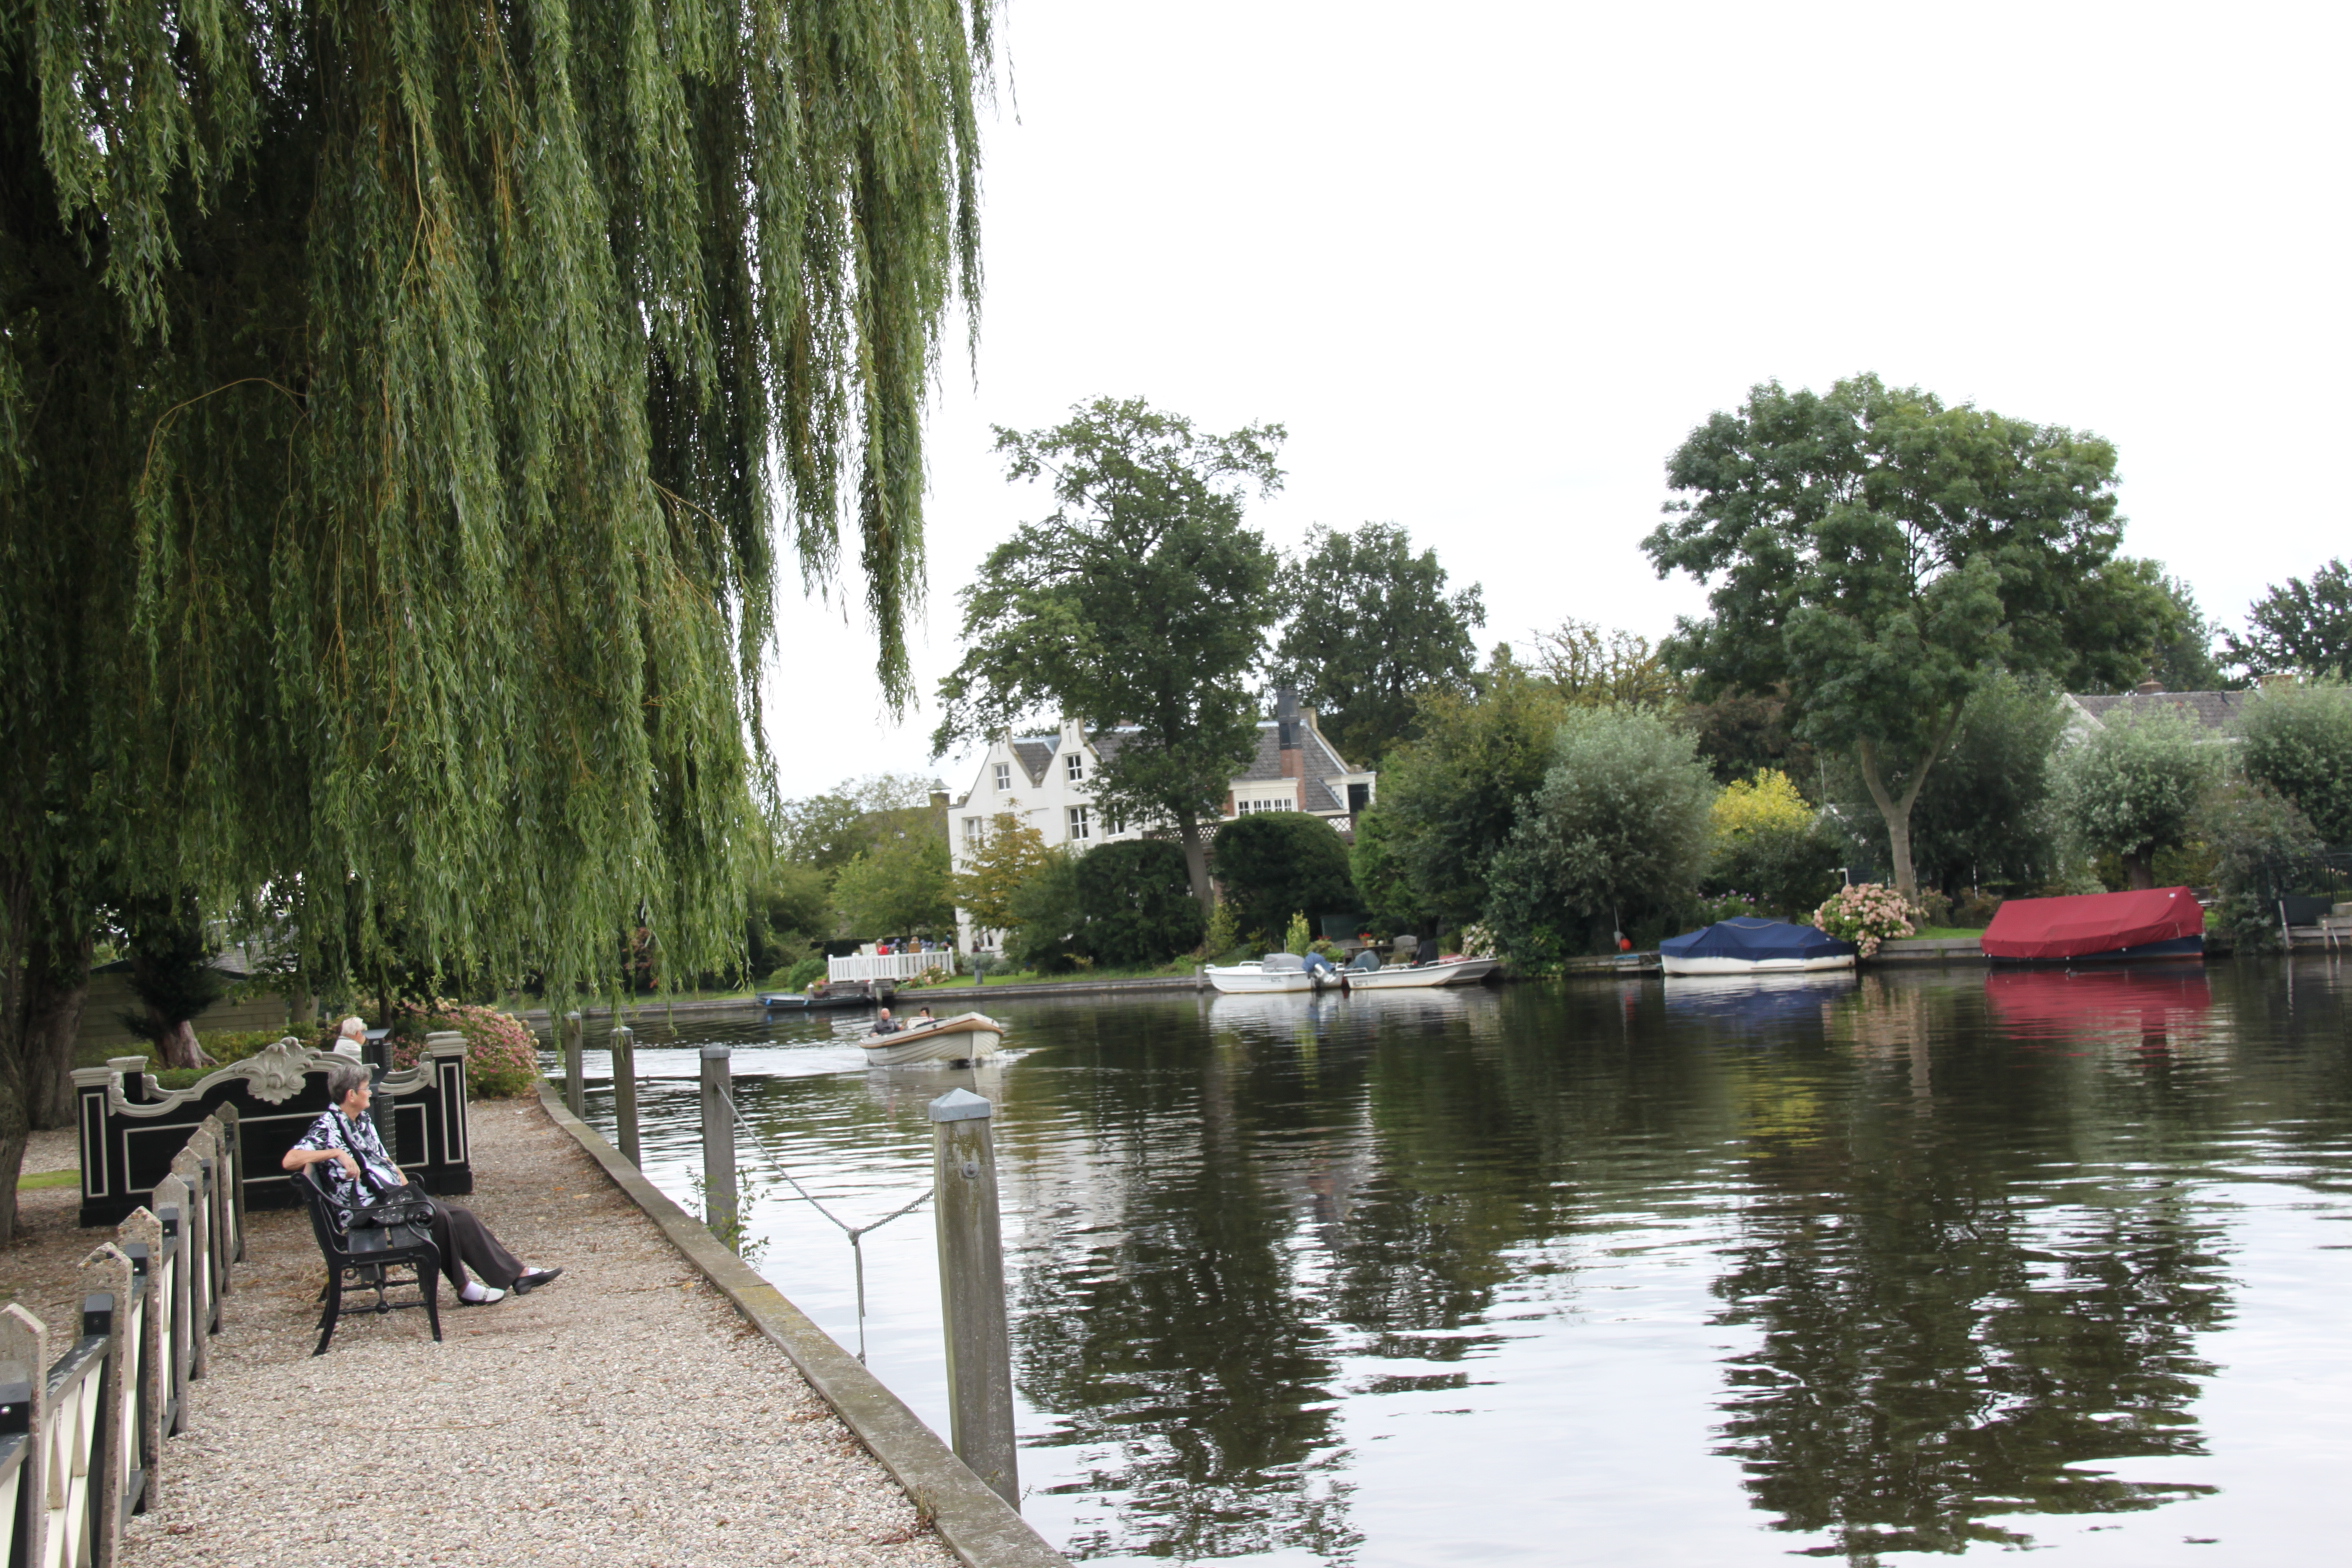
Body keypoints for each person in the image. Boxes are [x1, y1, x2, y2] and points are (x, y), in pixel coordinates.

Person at [282, 1059, 561, 1305]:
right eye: (366, 1088)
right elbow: (290, 1160)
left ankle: (517, 1275)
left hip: (390, 1196)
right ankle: (463, 1287)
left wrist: (405, 1187)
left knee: (461, 1215)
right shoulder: (327, 1125)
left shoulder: (362, 1119)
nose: (370, 1092)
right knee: (436, 1216)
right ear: (351, 1094)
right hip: (365, 1209)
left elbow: (384, 1160)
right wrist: (336, 1152)